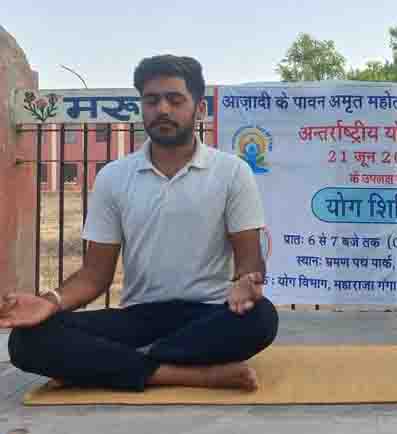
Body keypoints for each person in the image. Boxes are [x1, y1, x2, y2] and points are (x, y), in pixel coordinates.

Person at [1, 55, 278, 391]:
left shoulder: (232, 172)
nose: (162, 109)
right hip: (139, 317)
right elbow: (94, 276)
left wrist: (246, 281)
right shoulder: (114, 177)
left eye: (175, 100)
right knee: (27, 340)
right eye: (151, 100)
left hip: (207, 315)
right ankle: (188, 374)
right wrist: (48, 302)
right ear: (142, 108)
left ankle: (103, 364)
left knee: (261, 319)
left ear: (199, 109)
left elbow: (248, 256)